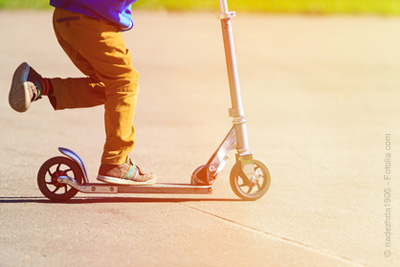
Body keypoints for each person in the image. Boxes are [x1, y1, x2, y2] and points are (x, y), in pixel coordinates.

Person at [8, 0, 156, 186]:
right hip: (93, 19)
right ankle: (116, 162)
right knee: (123, 83)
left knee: (110, 85)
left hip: (66, 17)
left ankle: (38, 86)